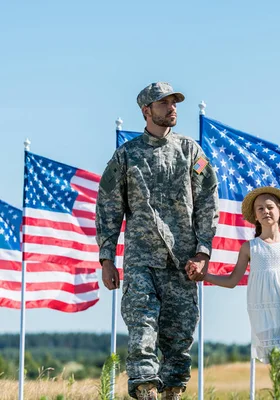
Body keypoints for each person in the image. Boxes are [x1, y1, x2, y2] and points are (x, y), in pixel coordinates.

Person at [95, 82, 219, 400]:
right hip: (141, 259)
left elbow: (207, 200)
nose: (172, 107)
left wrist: (203, 251)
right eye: (164, 103)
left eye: (174, 102)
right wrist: (106, 257)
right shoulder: (126, 156)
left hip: (183, 261)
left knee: (179, 336)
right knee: (142, 324)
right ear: (146, 110)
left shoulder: (192, 152)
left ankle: (172, 392)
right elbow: (108, 205)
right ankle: (144, 389)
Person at [188, 187, 280, 399]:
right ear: (255, 216)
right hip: (262, 313)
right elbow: (233, 280)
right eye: (260, 208)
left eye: (270, 207)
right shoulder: (250, 248)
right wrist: (205, 276)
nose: (265, 211)